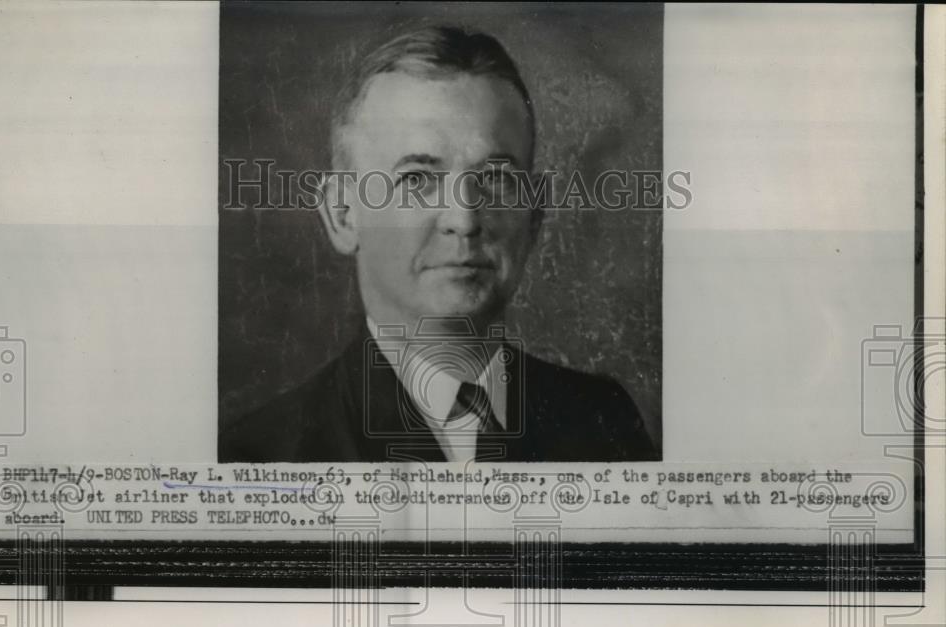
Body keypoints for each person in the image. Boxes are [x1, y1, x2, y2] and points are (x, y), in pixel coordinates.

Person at [220, 25, 658, 463]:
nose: (463, 220)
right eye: (417, 179)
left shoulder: (605, 422)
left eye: (496, 179)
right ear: (342, 214)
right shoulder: (259, 455)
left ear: (535, 216)